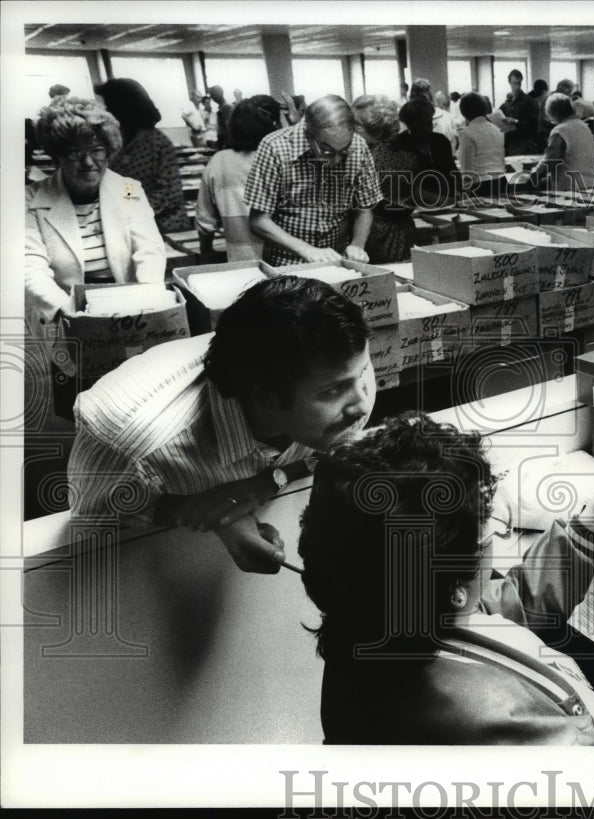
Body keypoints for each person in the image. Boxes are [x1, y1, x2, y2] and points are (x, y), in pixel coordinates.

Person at [298, 412, 594, 745]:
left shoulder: (379, 614)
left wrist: (588, 530)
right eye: (491, 527)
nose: (497, 535)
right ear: (452, 584)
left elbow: (504, 604)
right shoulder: (481, 723)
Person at [67, 276, 376, 574]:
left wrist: (267, 482)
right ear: (266, 397)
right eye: (332, 392)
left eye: (361, 374)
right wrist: (206, 513)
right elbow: (94, 516)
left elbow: (336, 451)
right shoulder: (125, 440)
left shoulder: (346, 367)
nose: (362, 405)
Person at [26, 96, 167, 418]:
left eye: (97, 151)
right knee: (82, 405)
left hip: (130, 314)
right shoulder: (31, 198)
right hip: (66, 317)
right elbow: (28, 267)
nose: (88, 162)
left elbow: (149, 249)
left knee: (136, 401)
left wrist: (147, 299)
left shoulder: (129, 188)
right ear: (57, 155)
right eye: (75, 153)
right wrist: (77, 314)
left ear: (109, 150)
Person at [244, 95, 380, 267]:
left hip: (336, 261)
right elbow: (258, 221)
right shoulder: (275, 147)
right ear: (309, 132)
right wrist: (307, 250)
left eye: (343, 151)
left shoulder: (358, 146)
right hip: (287, 264)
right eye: (327, 150)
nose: (336, 160)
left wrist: (357, 245)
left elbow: (365, 208)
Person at [195, 95, 281, 262]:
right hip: (287, 261)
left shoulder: (219, 161)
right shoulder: (279, 158)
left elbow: (205, 221)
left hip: (241, 261)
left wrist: (206, 252)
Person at [96, 78, 189, 233]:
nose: (107, 110)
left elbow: (169, 193)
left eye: (110, 105)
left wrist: (132, 212)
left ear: (126, 107)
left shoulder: (157, 143)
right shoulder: (118, 141)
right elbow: (127, 184)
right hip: (130, 224)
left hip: (164, 227)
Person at [351, 94, 415, 264]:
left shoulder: (369, 157)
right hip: (402, 232)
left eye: (356, 124)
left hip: (376, 236)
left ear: (376, 129)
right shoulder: (404, 153)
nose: (349, 128)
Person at [531, 92, 594, 192]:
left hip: (569, 188)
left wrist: (533, 175)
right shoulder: (584, 126)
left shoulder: (560, 130)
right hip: (589, 184)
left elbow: (550, 160)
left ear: (555, 113)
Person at [456, 92, 505, 200]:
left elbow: (467, 167)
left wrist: (465, 191)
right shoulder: (497, 129)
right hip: (501, 180)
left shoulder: (467, 133)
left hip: (480, 184)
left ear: (464, 112)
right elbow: (501, 160)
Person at [499, 69, 538, 156]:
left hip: (523, 144)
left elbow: (534, 124)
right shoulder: (507, 103)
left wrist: (516, 122)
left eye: (519, 83)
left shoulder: (528, 101)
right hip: (508, 143)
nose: (517, 87)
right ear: (509, 83)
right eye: (514, 83)